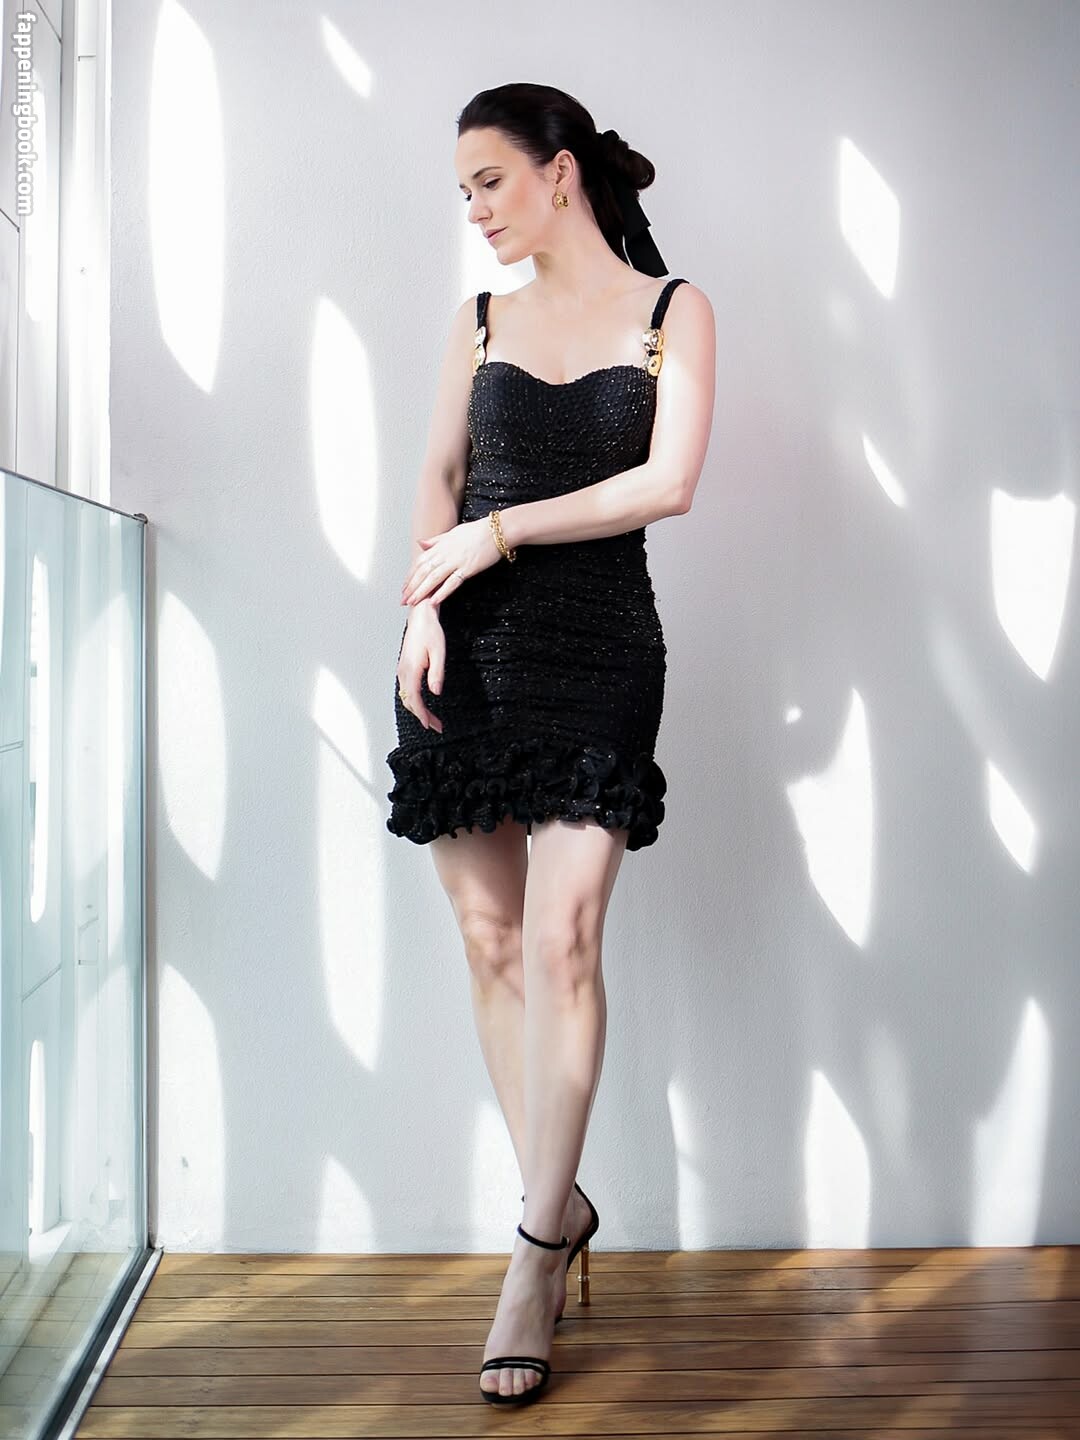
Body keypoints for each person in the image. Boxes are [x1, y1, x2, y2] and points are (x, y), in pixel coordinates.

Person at [385, 82, 715, 1405]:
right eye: (461, 190)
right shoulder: (478, 321)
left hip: (599, 648)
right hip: (463, 645)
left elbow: (668, 483)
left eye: (488, 180)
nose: (472, 208)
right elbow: (435, 476)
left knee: (565, 936)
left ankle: (529, 1259)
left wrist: (501, 531)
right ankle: (559, 1203)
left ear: (559, 171)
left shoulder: (671, 309)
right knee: (492, 940)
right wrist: (422, 605)